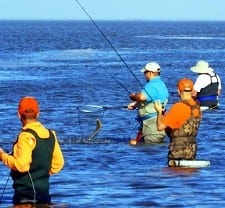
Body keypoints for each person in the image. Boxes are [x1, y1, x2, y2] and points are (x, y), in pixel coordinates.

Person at [0, 96, 64, 206]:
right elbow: (58, 164)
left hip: (25, 198)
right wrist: (40, 172)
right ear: (38, 114)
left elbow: (22, 165)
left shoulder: (25, 136)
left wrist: (2, 155)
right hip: (44, 195)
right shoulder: (51, 135)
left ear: (18, 114)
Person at [154, 78, 201, 167]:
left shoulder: (178, 107)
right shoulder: (197, 107)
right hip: (192, 150)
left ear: (179, 91)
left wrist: (159, 112)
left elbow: (160, 127)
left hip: (177, 150)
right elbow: (180, 124)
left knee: (175, 175)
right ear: (192, 90)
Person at [128, 62, 169, 145]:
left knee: (148, 147)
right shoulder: (161, 84)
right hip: (152, 124)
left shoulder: (152, 85)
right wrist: (136, 104)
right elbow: (152, 100)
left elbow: (141, 97)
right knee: (135, 144)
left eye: (145, 72)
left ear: (150, 73)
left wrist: (133, 96)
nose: (144, 75)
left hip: (152, 127)